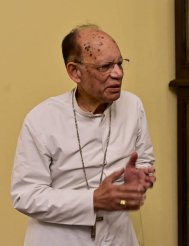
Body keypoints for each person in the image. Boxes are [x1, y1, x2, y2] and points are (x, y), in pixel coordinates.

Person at [11, 24, 156, 246]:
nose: (118, 73)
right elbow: (26, 195)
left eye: (120, 63)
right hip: (60, 238)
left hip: (118, 236)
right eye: (105, 66)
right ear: (74, 71)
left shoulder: (132, 105)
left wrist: (138, 178)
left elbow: (145, 161)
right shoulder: (41, 119)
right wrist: (93, 200)